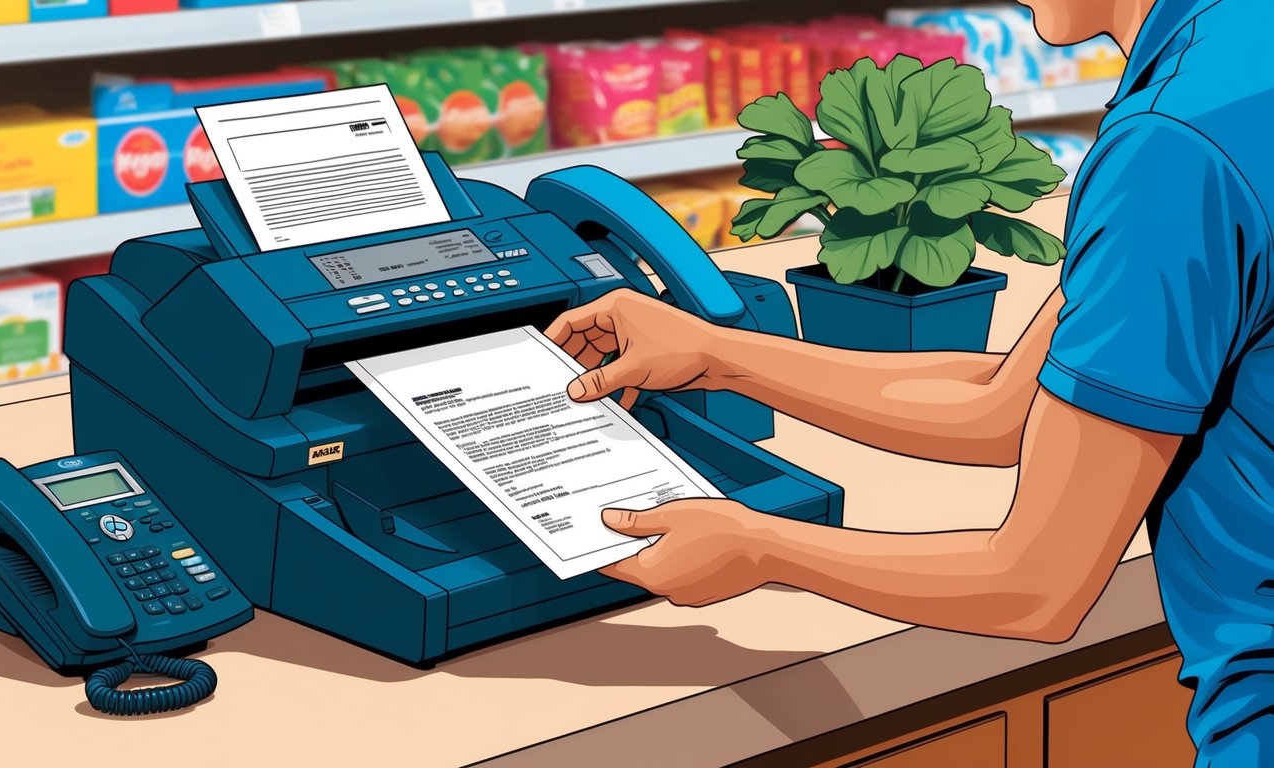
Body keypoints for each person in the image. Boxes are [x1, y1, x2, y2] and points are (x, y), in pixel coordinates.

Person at [546, 0, 1273, 763]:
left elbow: (1037, 582)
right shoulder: (1231, 58)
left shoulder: (1171, 149)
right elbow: (1007, 407)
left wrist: (759, 546)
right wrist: (717, 354)